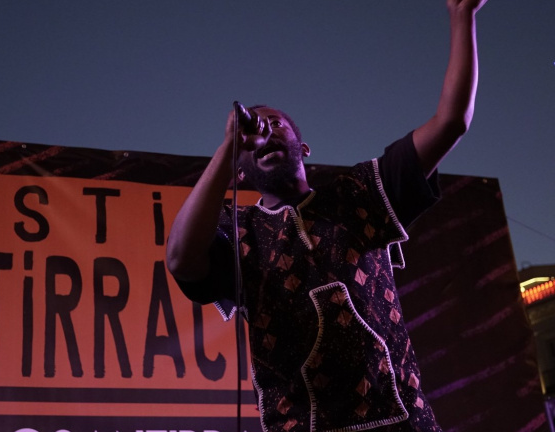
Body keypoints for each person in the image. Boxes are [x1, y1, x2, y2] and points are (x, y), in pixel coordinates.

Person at [165, 1, 487, 431]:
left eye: (276, 124)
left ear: (303, 148)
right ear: (238, 172)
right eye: (252, 134)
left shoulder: (358, 194)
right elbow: (181, 260)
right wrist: (229, 147)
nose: (265, 133)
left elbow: (451, 123)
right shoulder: (238, 229)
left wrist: (462, 16)